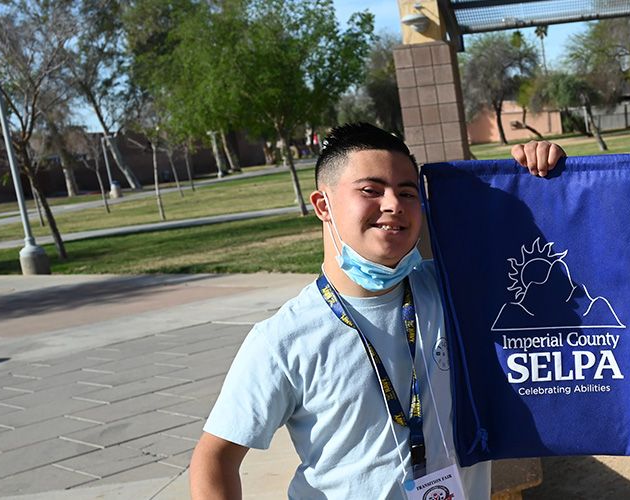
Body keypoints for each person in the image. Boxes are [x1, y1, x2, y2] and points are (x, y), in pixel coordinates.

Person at [190, 123, 563, 499]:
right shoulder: (283, 338)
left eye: (407, 192)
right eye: (371, 190)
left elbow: (544, 267)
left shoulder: (453, 292)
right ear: (323, 206)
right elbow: (215, 458)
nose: (393, 205)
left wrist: (539, 178)